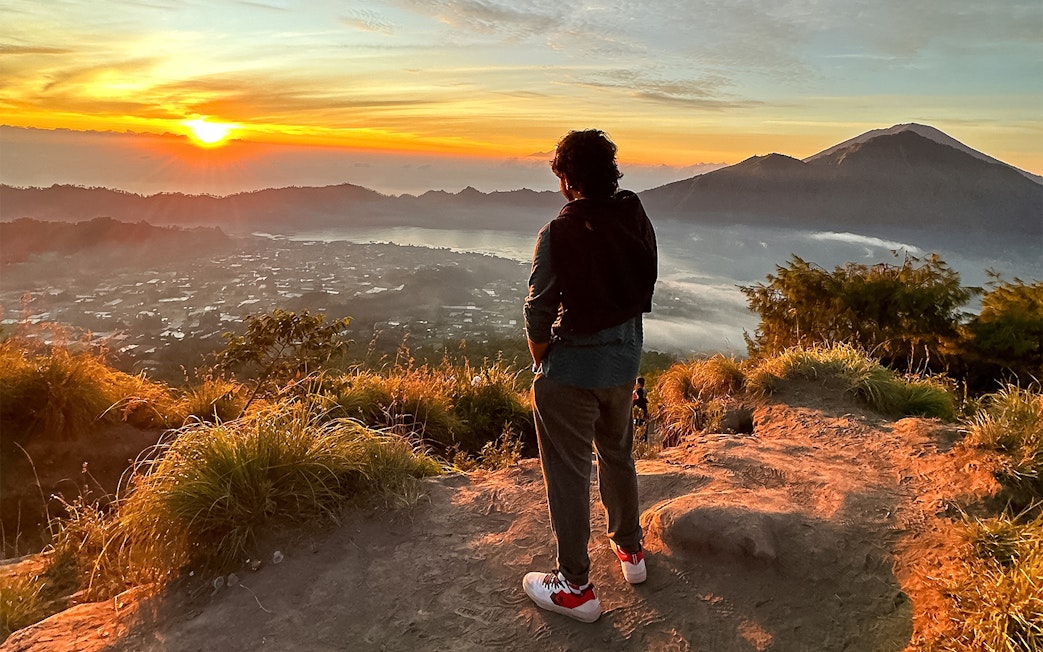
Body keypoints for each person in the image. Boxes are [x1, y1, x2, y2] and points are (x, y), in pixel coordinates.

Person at [522, 129, 657, 623]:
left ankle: (575, 587)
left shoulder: (558, 232)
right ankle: (631, 552)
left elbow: (537, 312)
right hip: (624, 365)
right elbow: (642, 283)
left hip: (572, 374)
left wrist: (543, 359)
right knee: (617, 453)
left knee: (569, 473)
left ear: (565, 177)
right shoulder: (634, 214)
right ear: (611, 171)